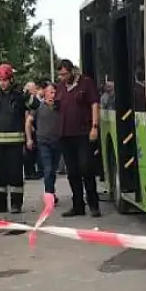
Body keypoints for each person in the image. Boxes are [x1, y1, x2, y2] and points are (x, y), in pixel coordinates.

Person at [0, 64, 38, 213]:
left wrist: (25, 94)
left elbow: (35, 104)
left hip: (16, 142)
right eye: (0, 80)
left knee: (16, 174)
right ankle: (0, 204)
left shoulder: (18, 94)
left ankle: (16, 204)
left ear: (11, 79)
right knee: (0, 175)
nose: (3, 83)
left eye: (5, 80)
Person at [53, 59, 101, 217]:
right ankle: (78, 205)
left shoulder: (86, 84)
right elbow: (57, 107)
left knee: (86, 168)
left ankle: (94, 205)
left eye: (65, 74)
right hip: (65, 135)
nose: (62, 77)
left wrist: (94, 126)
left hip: (83, 133)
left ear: (72, 71)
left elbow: (94, 104)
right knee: (72, 172)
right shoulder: (59, 88)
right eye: (60, 75)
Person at [26, 82, 61, 204]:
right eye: (50, 92)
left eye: (54, 92)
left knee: (53, 170)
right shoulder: (38, 107)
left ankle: (51, 191)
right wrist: (29, 139)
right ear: (44, 93)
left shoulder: (59, 107)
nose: (53, 94)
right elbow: (28, 122)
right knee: (48, 169)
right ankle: (49, 195)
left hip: (57, 142)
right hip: (43, 143)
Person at [22, 81, 42, 180]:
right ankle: (29, 172)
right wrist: (30, 126)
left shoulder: (32, 98)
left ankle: (31, 171)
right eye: (33, 88)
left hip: (31, 126)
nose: (35, 90)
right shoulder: (27, 98)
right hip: (28, 127)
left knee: (32, 150)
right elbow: (26, 112)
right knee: (29, 150)